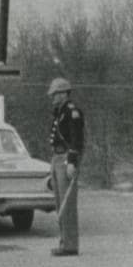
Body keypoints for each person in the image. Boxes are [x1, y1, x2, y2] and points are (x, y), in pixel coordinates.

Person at [47, 77, 85, 257]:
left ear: (63, 94)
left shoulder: (72, 112)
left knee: (67, 204)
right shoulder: (59, 112)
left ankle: (70, 245)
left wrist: (72, 162)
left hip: (65, 158)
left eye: (55, 94)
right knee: (58, 201)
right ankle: (64, 242)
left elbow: (77, 140)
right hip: (56, 157)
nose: (52, 98)